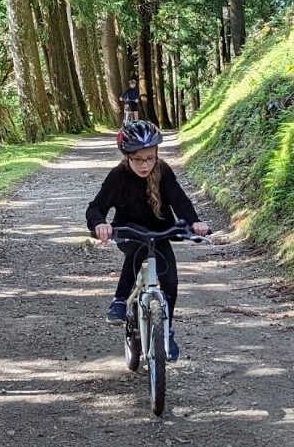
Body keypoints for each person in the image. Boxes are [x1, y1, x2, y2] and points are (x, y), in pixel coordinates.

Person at [86, 121, 210, 361]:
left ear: (156, 155)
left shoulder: (163, 171)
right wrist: (100, 224)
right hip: (129, 232)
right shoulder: (118, 175)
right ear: (127, 156)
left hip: (161, 232)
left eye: (150, 158)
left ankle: (167, 330)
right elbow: (96, 207)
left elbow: (180, 201)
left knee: (170, 280)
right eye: (138, 159)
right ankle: (120, 300)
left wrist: (195, 222)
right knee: (138, 248)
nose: (145, 165)